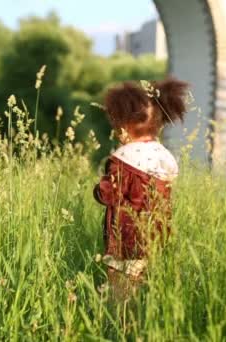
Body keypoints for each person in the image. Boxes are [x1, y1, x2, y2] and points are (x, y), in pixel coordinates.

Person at [93, 77, 189, 298]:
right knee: (141, 281)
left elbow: (108, 193)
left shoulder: (123, 160)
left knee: (120, 286)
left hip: (125, 237)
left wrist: (98, 188)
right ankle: (138, 320)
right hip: (154, 235)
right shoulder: (163, 157)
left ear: (125, 127)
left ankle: (120, 321)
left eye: (117, 126)